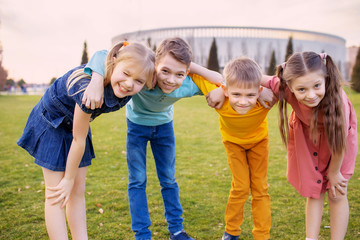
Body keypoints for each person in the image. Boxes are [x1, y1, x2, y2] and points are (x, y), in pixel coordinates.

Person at [82, 37, 226, 240]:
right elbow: (101, 55)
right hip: (136, 128)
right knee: (137, 181)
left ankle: (176, 231)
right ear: (155, 65)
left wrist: (195, 70)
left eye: (179, 74)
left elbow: (222, 79)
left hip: (164, 129)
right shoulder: (145, 74)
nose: (170, 79)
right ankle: (142, 234)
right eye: (165, 70)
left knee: (168, 179)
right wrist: (96, 81)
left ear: (186, 73)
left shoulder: (187, 85)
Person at [17, 42, 155, 240]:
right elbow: (78, 139)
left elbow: (172, 67)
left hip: (77, 127)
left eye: (139, 81)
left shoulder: (125, 87)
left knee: (77, 191)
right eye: (126, 73)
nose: (129, 84)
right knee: (56, 193)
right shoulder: (86, 89)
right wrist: (68, 178)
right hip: (51, 124)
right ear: (114, 63)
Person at [264, 51, 357, 240]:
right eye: (302, 90)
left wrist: (334, 171)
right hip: (309, 143)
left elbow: (339, 141)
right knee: (314, 193)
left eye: (317, 85)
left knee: (336, 193)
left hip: (339, 147)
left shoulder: (337, 101)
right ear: (289, 86)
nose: (311, 95)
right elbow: (255, 75)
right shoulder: (286, 88)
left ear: (325, 79)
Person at [191, 57, 273, 240]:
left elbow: (291, 82)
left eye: (250, 95)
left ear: (259, 91)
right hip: (233, 145)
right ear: (227, 91)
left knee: (260, 188)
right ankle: (231, 231)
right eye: (236, 94)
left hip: (259, 143)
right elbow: (193, 73)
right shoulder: (218, 97)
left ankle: (262, 235)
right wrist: (219, 88)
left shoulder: (266, 100)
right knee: (241, 187)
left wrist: (269, 88)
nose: (243, 102)